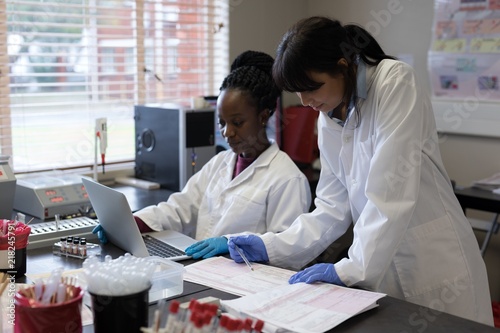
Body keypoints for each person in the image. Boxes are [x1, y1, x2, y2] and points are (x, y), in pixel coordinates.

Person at [227, 17, 493, 326]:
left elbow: (389, 191)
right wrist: (272, 245)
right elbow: (331, 207)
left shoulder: (395, 83)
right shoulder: (329, 113)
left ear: (342, 66)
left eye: (311, 88)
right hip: (382, 271)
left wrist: (351, 268)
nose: (305, 102)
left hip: (434, 264)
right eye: (296, 92)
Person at [93, 50, 311, 260]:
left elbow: (288, 251)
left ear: (263, 117)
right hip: (202, 269)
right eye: (222, 123)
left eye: (237, 122)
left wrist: (233, 245)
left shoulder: (287, 178)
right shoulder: (220, 162)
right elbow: (180, 207)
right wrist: (132, 222)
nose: (227, 132)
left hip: (245, 282)